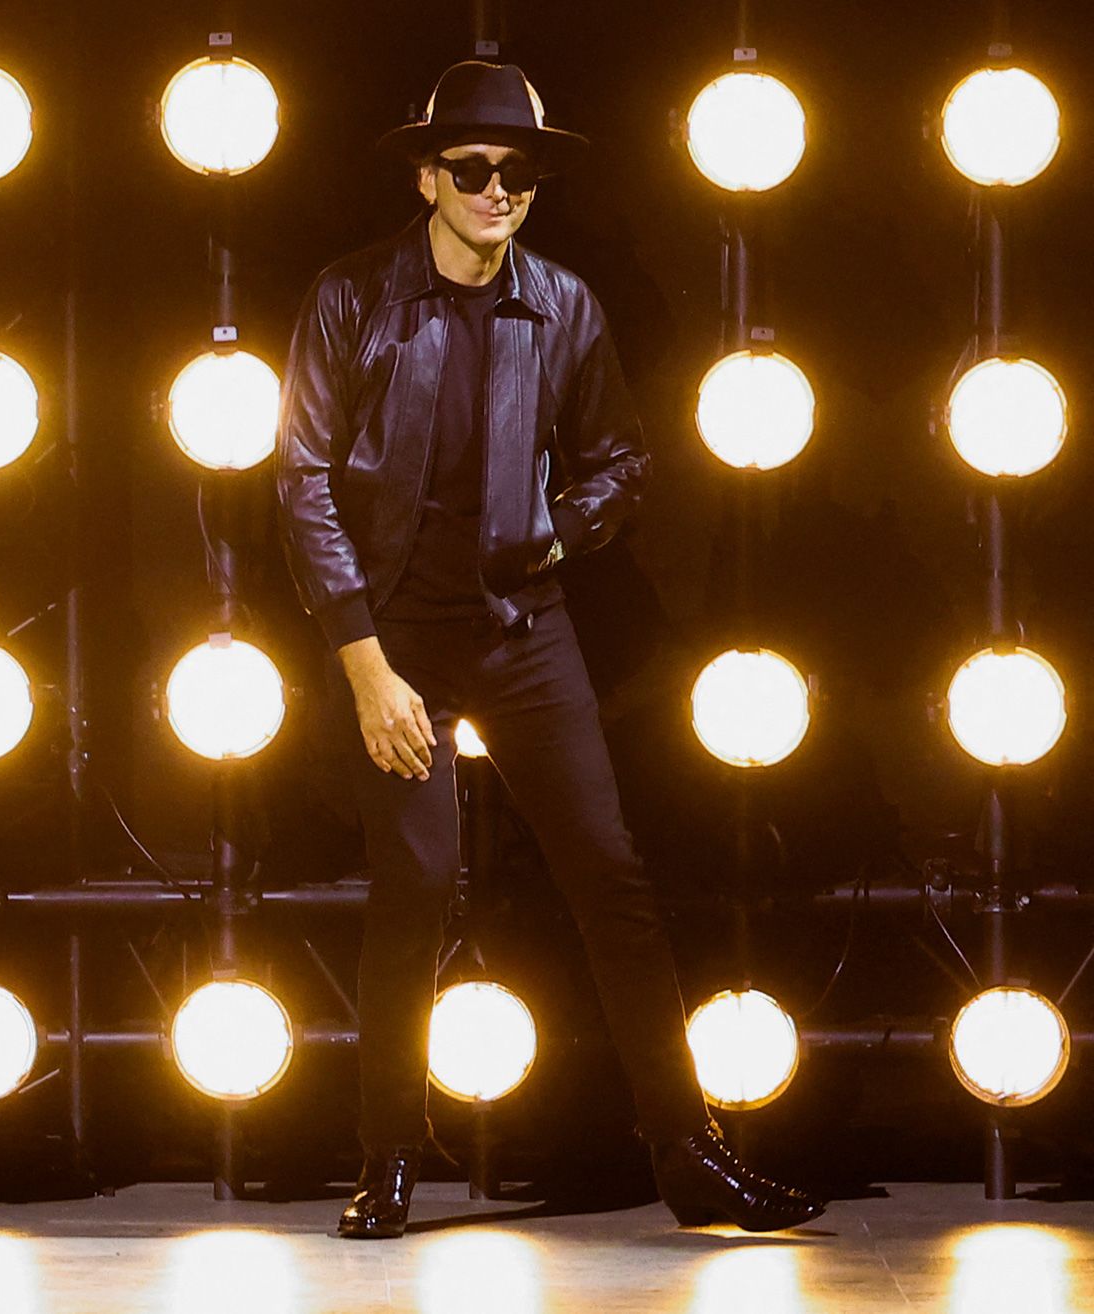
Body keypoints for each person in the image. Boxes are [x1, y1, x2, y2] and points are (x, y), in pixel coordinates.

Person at [277, 60, 825, 1237]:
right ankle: (386, 1159)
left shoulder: (564, 304)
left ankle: (688, 1153)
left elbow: (622, 460)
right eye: (469, 169)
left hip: (523, 629)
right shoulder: (349, 299)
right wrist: (364, 662)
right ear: (427, 176)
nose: (493, 190)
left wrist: (544, 535)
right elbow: (302, 484)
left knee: (611, 879)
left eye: (514, 173)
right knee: (415, 887)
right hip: (396, 637)